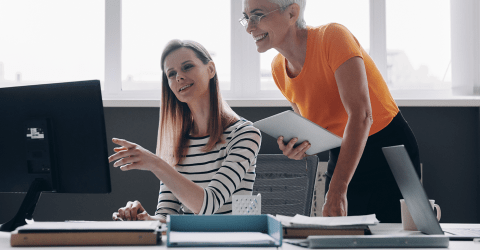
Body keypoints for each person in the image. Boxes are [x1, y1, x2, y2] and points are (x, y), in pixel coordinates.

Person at [241, 0, 420, 222]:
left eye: (257, 15)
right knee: (340, 235)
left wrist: (338, 188)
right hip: (343, 153)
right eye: (246, 17)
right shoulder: (278, 69)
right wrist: (299, 148)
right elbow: (313, 133)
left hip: (388, 149)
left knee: (395, 238)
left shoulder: (333, 37)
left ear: (292, 13)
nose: (249, 26)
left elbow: (362, 115)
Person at [109, 40, 261, 223]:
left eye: (187, 67)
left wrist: (155, 164)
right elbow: (167, 215)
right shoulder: (177, 142)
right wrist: (145, 219)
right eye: (171, 74)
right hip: (188, 242)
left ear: (210, 70)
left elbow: (208, 205)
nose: (179, 77)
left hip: (234, 242)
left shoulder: (245, 134)